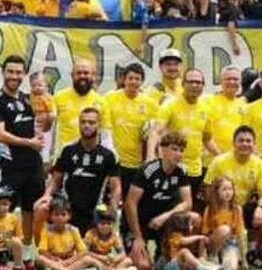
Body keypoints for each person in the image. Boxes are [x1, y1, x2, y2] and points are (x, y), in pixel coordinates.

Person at [37, 108, 120, 235]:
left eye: (91, 122)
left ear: (99, 125)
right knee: (40, 208)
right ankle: (40, 249)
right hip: (68, 208)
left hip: (95, 210)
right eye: (83, 122)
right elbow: (55, 180)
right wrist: (47, 195)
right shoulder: (68, 151)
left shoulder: (108, 155)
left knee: (88, 254)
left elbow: (116, 187)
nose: (87, 125)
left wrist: (112, 208)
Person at [202, 126, 262, 263]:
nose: (245, 144)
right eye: (241, 140)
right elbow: (207, 189)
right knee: (224, 230)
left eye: (248, 141)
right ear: (234, 143)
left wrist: (260, 208)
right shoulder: (219, 161)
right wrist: (219, 207)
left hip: (243, 208)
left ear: (254, 144)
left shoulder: (259, 164)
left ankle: (254, 253)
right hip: (223, 208)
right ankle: (212, 253)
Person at [124, 131, 193, 270]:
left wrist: (165, 216)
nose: (178, 154)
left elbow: (188, 203)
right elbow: (130, 204)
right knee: (144, 266)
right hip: (140, 223)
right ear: (163, 149)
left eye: (181, 150)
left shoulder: (181, 171)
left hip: (162, 224)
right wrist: (137, 237)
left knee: (194, 218)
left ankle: (169, 256)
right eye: (174, 149)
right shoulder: (148, 170)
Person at [0, 55, 45, 245]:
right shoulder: (0, 101)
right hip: (11, 167)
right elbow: (1, 134)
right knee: (4, 210)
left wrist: (46, 122)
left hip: (33, 165)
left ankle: (26, 253)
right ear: (3, 72)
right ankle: (4, 252)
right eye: (10, 71)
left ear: (24, 74)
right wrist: (29, 143)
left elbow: (41, 127)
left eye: (19, 72)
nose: (14, 76)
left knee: (30, 209)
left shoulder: (29, 100)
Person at [150, 69, 211, 207]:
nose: (195, 85)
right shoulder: (170, 104)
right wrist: (150, 157)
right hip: (172, 167)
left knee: (189, 209)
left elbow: (207, 139)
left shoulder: (206, 107)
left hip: (195, 169)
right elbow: (156, 132)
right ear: (183, 84)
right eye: (191, 82)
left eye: (198, 82)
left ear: (203, 86)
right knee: (171, 207)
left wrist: (221, 156)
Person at [104, 64, 161, 192]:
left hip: (137, 163)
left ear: (142, 81)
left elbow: (156, 131)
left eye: (137, 79)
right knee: (112, 199)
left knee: (131, 201)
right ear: (124, 80)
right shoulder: (110, 98)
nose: (134, 82)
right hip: (115, 161)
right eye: (130, 78)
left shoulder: (150, 103)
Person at [202, 66, 247, 163]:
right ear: (221, 81)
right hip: (211, 161)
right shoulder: (208, 101)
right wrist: (220, 156)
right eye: (228, 79)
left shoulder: (243, 105)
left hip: (235, 163)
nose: (232, 82)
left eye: (235, 79)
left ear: (240, 82)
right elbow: (204, 134)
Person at [201, 178, 244, 270]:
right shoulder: (210, 209)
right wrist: (201, 256)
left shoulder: (237, 209)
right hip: (213, 242)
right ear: (217, 192)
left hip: (230, 243)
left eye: (230, 189)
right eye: (224, 189)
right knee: (224, 229)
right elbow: (204, 234)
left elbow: (240, 234)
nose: (228, 192)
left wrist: (243, 259)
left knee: (230, 267)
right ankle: (213, 257)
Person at [37, 198, 91, 270]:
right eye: (56, 214)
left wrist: (69, 261)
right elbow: (42, 251)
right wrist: (55, 259)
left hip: (69, 262)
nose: (60, 218)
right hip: (54, 262)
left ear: (69, 216)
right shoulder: (47, 230)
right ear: (51, 216)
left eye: (63, 214)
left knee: (87, 259)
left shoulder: (73, 230)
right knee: (40, 259)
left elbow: (83, 251)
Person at [0, 187, 27, 270]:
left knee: (16, 241)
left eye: (4, 204)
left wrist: (9, 241)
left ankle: (17, 265)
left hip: (7, 250)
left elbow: (20, 238)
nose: (1, 207)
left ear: (10, 204)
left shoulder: (14, 219)